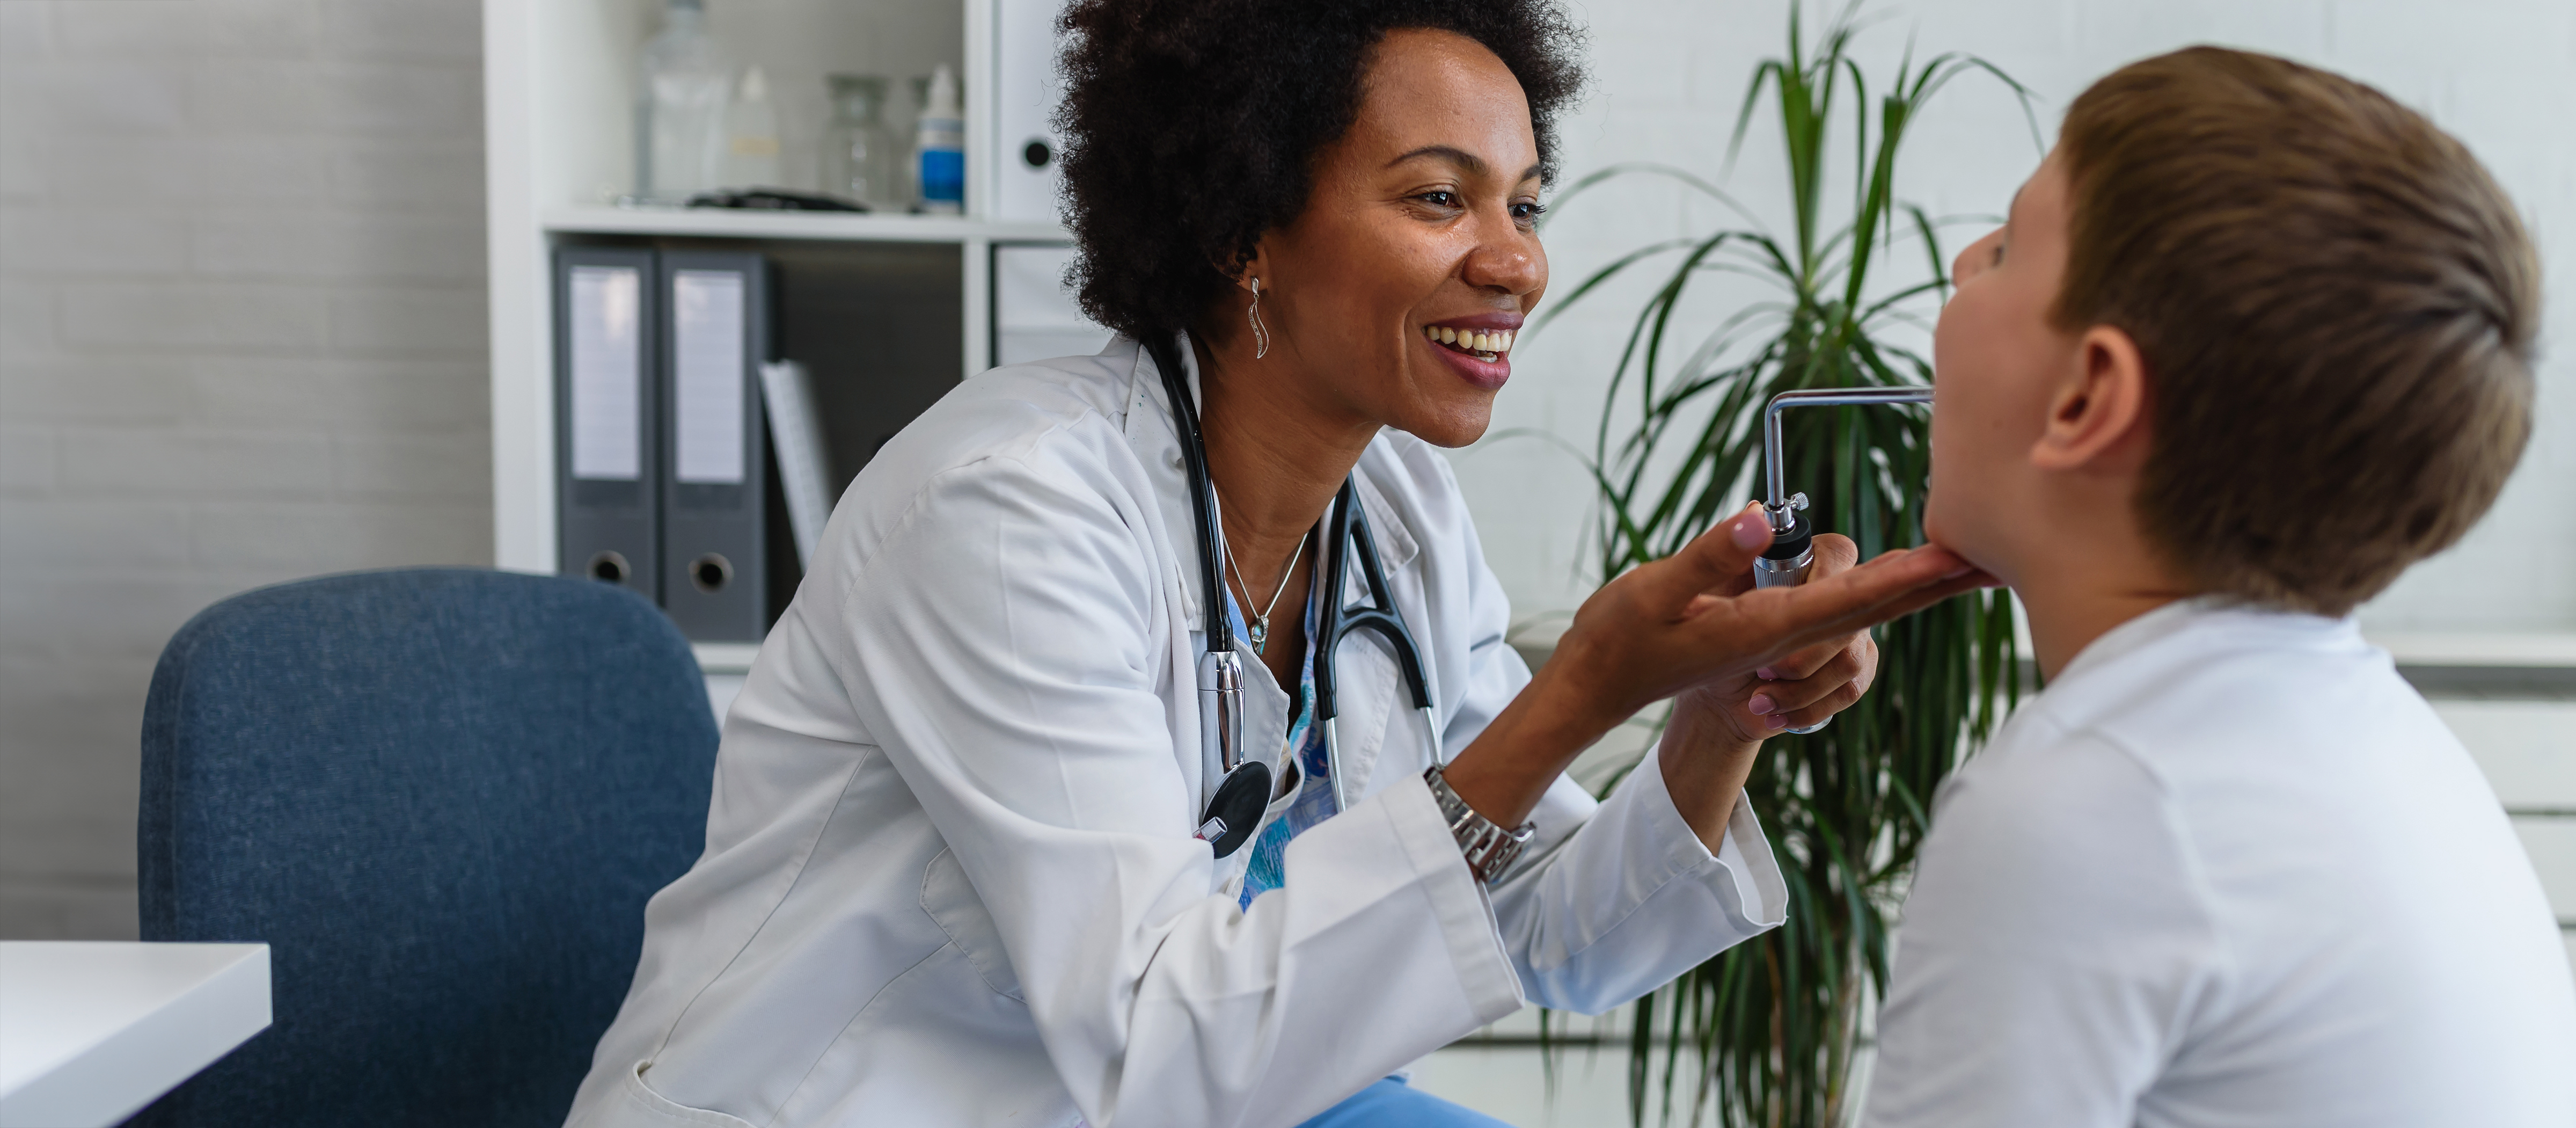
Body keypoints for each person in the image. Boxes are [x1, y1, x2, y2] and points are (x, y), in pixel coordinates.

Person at [563, 4, 1987, 1127]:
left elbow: (1550, 923)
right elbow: (1158, 1046)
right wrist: (1581, 685)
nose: (1516, 263)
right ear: (1243, 223)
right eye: (1442, 200)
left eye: (1526, 204)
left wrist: (1711, 715)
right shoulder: (1007, 515)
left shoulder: (1398, 509)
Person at [1861, 47, 2576, 1127]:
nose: (1961, 266)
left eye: (2006, 250)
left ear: (2087, 397)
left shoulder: (2095, 800)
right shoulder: (2373, 742)